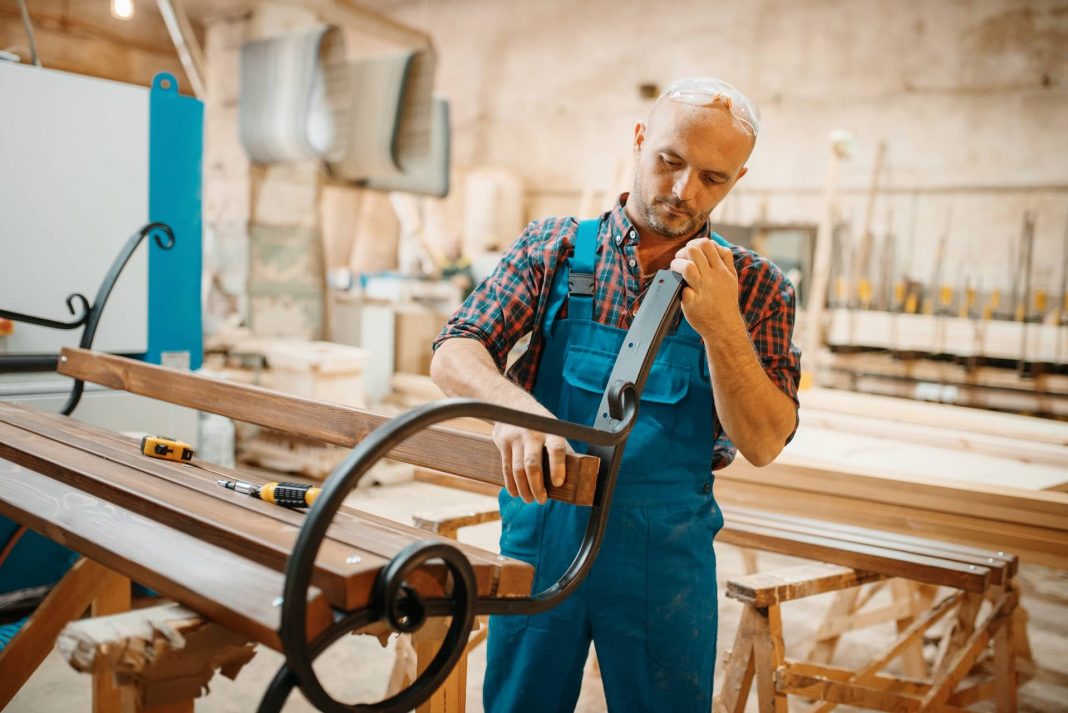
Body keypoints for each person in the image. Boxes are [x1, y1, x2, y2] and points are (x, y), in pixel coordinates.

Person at [430, 77, 801, 712]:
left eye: (713, 178)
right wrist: (515, 411)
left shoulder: (757, 287)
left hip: (666, 561)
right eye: (670, 161)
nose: (685, 191)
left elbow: (764, 441)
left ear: (738, 179)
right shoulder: (555, 248)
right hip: (545, 533)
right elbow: (455, 348)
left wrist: (722, 328)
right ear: (639, 140)